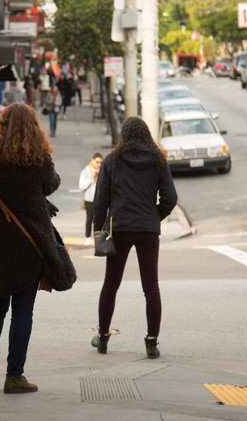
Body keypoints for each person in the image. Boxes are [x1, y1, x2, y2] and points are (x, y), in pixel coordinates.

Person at [0, 102, 61, 394]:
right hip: (29, 242)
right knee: (23, 309)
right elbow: (51, 185)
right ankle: (14, 376)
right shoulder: (38, 159)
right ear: (33, 128)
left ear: (0, 126)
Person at [92, 117, 178, 358]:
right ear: (146, 134)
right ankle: (152, 342)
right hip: (147, 230)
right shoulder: (158, 160)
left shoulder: (112, 161)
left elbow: (100, 200)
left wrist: (98, 229)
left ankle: (102, 338)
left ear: (124, 135)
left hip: (120, 228)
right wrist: (154, 216)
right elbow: (170, 198)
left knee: (111, 284)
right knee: (151, 286)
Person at [79, 153, 103, 246]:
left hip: (100, 199)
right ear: (92, 161)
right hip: (89, 199)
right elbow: (81, 186)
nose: (99, 164)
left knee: (99, 220)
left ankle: (98, 239)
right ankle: (88, 237)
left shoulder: (103, 171)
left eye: (101, 162)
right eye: (97, 162)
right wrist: (91, 178)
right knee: (89, 219)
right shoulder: (86, 171)